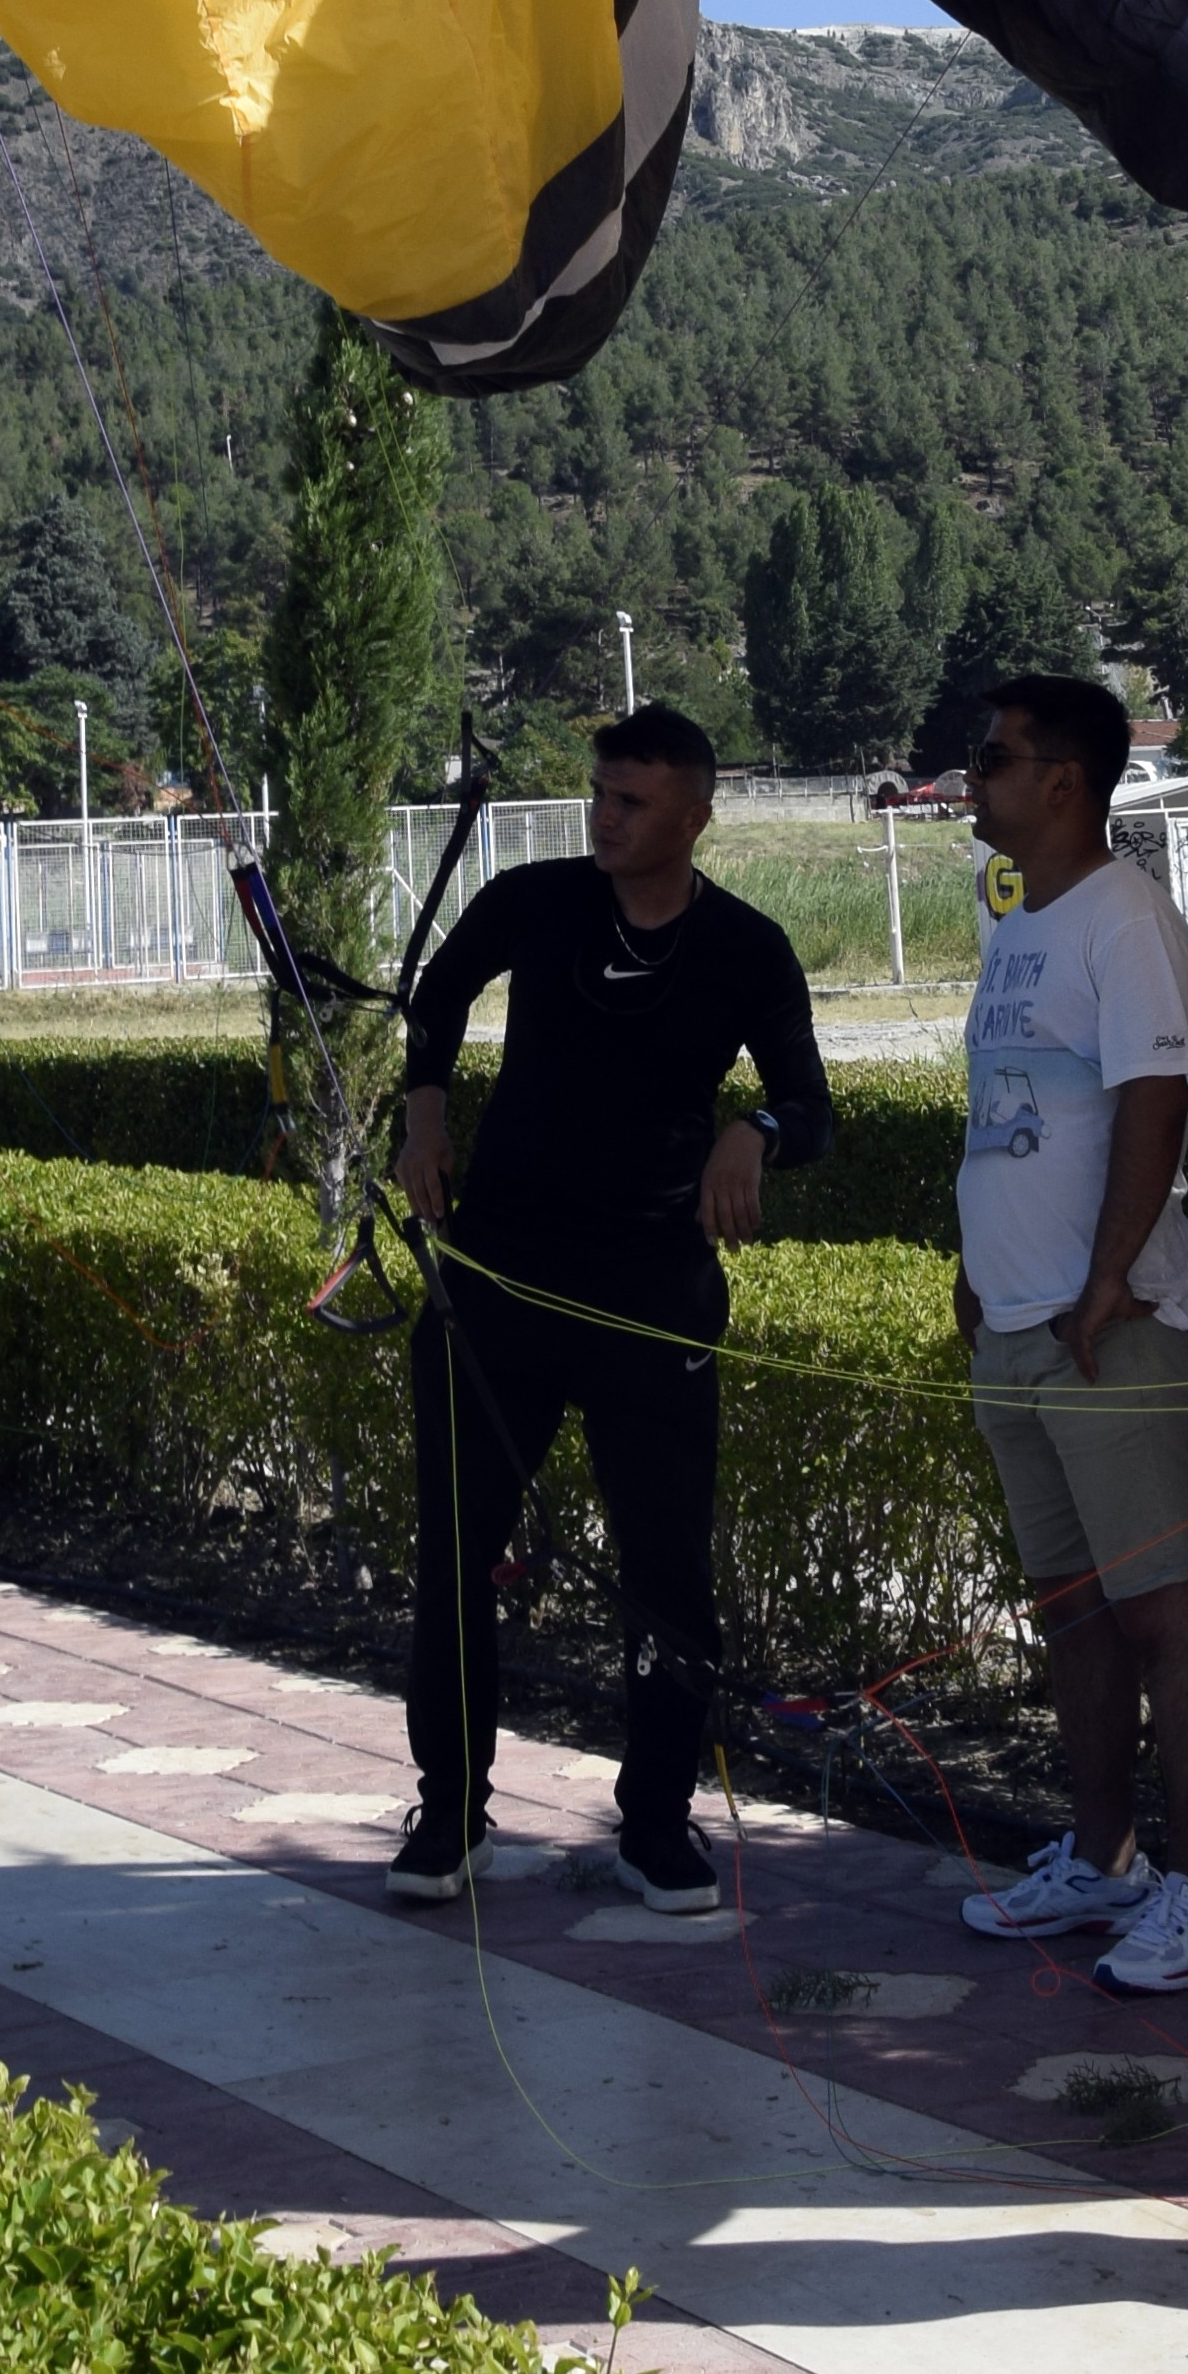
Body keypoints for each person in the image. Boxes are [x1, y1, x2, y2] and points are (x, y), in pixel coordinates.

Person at [388, 703, 827, 1917]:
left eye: (632, 803)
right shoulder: (539, 900)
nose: (606, 819)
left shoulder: (745, 946)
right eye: (599, 794)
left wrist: (758, 1129)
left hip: (652, 1299)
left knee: (666, 1571)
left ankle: (654, 1824)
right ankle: (450, 1811)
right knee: (458, 1555)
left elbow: (813, 1104)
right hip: (499, 1286)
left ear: (694, 815)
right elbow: (437, 994)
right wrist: (426, 1109)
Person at [947, 671, 1188, 1999]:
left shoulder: (1124, 919)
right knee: (1072, 1611)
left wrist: (1108, 1277)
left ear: (1063, 780)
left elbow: (1156, 1097)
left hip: (1106, 1332)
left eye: (997, 757)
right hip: (1017, 1328)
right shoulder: (1022, 918)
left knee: (1159, 1614)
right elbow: (1016, 1114)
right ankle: (1102, 1856)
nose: (976, 776)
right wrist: (979, 1274)